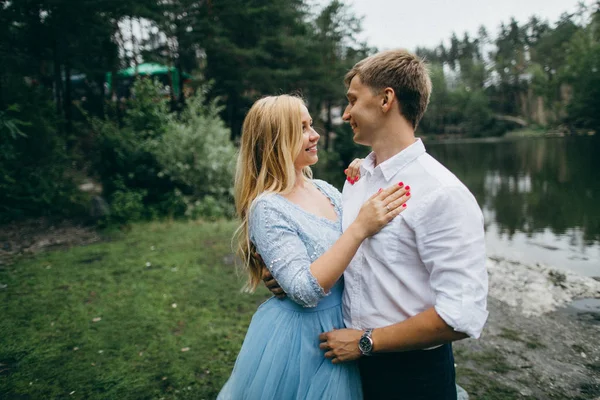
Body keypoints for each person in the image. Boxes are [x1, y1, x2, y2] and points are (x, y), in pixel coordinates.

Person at [266, 50, 488, 400]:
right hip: (347, 366)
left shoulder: (442, 194)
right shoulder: (357, 180)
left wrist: (367, 342)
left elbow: (461, 316)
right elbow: (356, 260)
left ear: (386, 99)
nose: (346, 114)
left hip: (412, 376)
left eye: (353, 100)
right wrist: (293, 276)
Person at [217, 95, 411, 400]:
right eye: (303, 128)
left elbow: (357, 241)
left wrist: (366, 176)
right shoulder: (267, 207)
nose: (315, 134)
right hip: (309, 341)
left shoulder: (325, 189)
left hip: (351, 322)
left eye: (311, 124)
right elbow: (305, 290)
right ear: (276, 141)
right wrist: (359, 227)